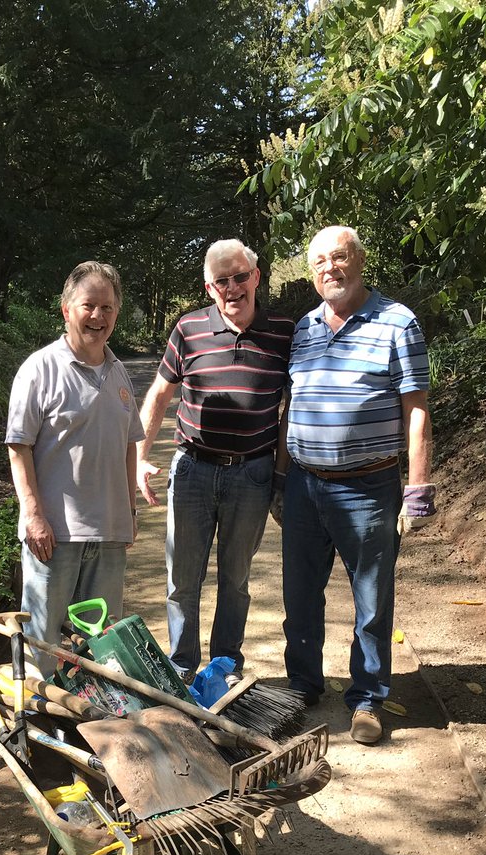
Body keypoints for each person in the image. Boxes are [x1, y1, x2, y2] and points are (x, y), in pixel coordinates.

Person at [274, 225, 436, 744]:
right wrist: (281, 479)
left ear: (359, 261)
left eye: (338, 258)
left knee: (371, 599)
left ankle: (367, 698)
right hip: (303, 484)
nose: (329, 269)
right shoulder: (303, 328)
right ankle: (303, 685)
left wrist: (417, 492)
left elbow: (417, 413)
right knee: (299, 595)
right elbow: (290, 408)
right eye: (319, 261)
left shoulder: (397, 323)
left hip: (368, 488)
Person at [136, 238, 294, 684]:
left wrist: (282, 476)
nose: (232, 287)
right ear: (209, 287)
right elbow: (159, 396)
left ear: (256, 277)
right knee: (182, 579)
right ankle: (182, 668)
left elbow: (294, 408)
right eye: (221, 280)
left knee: (235, 580)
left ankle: (224, 664)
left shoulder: (285, 331)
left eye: (240, 276)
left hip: (253, 473)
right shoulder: (188, 330)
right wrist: (139, 459)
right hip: (192, 471)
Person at [5, 260, 143, 676]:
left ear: (116, 313)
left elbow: (128, 447)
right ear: (67, 310)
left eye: (107, 308)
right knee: (42, 641)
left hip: (108, 535)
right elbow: (18, 446)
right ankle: (38, 727)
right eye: (89, 306)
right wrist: (33, 515)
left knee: (104, 648)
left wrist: (130, 512)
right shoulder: (40, 369)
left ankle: (91, 729)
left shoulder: (119, 374)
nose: (98, 316)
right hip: (54, 535)